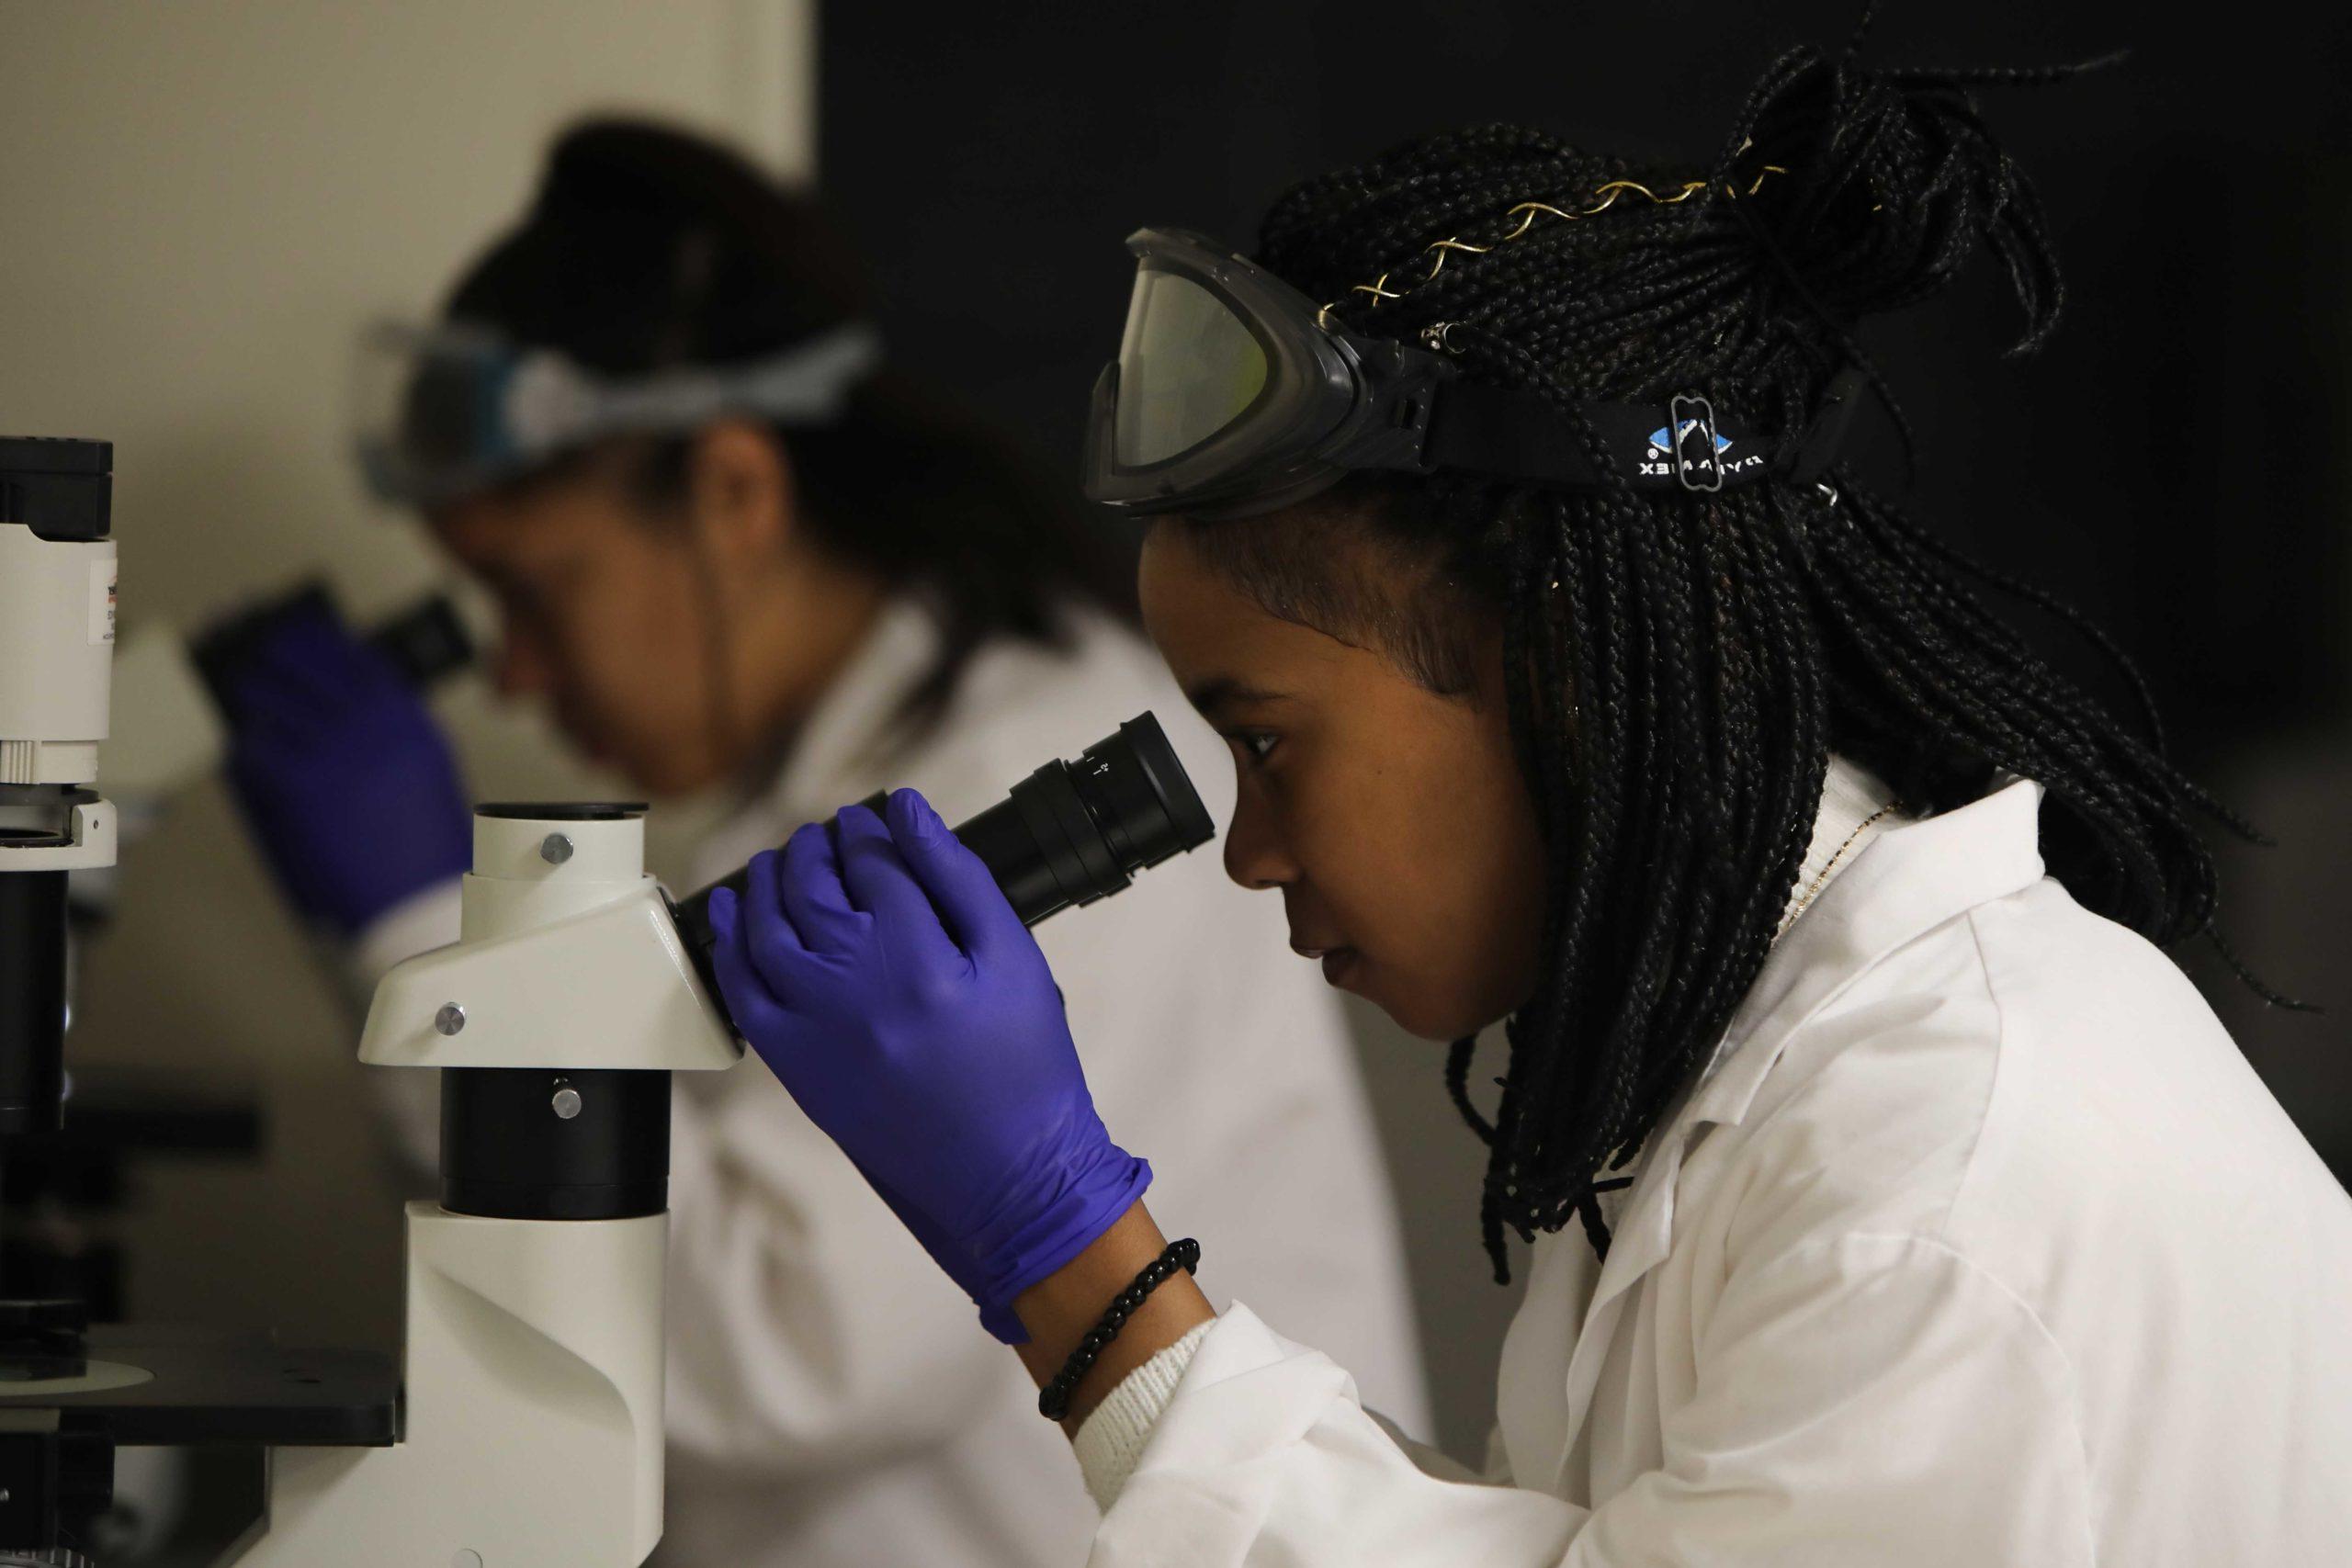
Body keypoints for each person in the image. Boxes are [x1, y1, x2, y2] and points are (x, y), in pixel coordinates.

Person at [697, 34, 2352, 1567]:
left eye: (1267, 742)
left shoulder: (1942, 1179)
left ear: (1552, 661)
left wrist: (1069, 1252)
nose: (1250, 852)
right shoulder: (1742, 1087)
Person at [211, 120, 1427, 1567]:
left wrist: (421, 940)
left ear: (733, 489)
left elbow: (785, 1359)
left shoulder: (1020, 763)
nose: (516, 679)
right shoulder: (812, 778)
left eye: (535, 597)